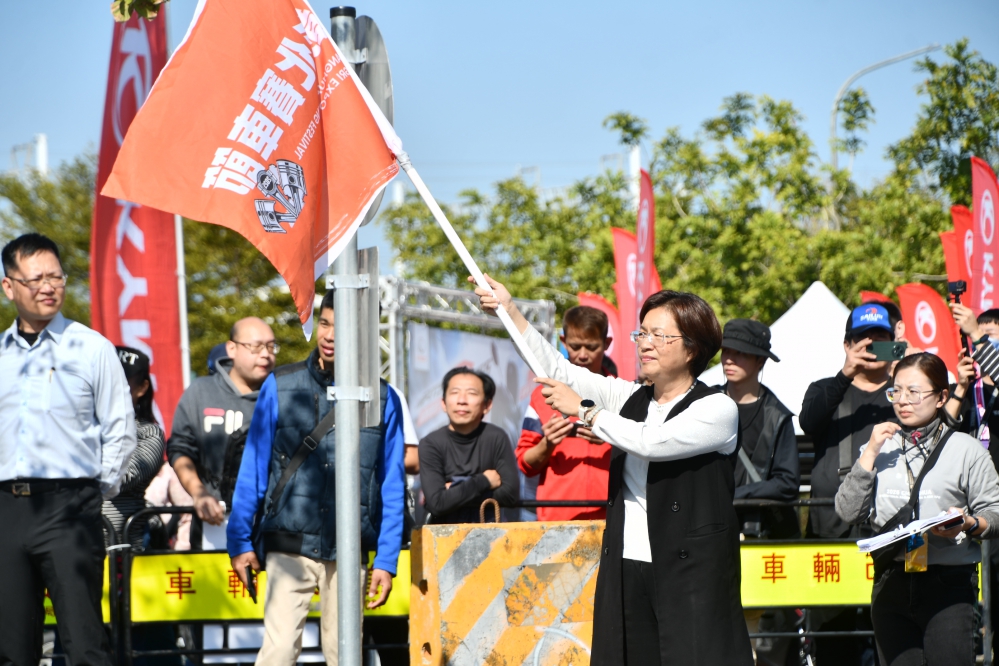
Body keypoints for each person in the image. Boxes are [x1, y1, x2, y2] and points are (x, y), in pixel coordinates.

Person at [473, 274, 752, 666]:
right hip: (627, 563)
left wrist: (586, 411)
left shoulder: (717, 408)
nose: (645, 343)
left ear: (692, 348)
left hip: (692, 571)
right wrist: (510, 310)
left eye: (659, 335)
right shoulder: (629, 396)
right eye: (642, 333)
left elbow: (651, 442)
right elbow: (557, 369)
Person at [226, 290, 406, 666]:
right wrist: (239, 540)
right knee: (278, 652)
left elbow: (392, 482)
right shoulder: (280, 384)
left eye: (342, 327)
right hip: (288, 542)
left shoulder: (384, 398)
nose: (329, 335)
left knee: (346, 656)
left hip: (350, 547)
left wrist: (386, 560)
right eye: (324, 323)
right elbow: (253, 467)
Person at [0, 233, 137, 666]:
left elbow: (121, 428)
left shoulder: (92, 347)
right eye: (35, 279)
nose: (48, 287)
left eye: (56, 277)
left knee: (84, 643)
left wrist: (95, 490)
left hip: (70, 507)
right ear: (9, 287)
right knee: (11, 648)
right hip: (6, 509)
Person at [836, 353, 999, 665]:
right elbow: (848, 511)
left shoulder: (966, 449)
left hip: (949, 583)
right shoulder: (878, 446)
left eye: (914, 392)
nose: (902, 400)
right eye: (896, 391)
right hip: (891, 579)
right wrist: (870, 452)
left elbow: (995, 513)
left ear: (941, 397)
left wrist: (967, 523)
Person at [799, 302, 896, 663]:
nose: (870, 345)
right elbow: (809, 421)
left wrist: (906, 372)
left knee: (887, 636)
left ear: (893, 344)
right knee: (832, 641)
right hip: (831, 531)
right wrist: (846, 373)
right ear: (847, 345)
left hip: (889, 533)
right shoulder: (825, 388)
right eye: (862, 339)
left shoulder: (905, 395)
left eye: (880, 339)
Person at [168, 317, 276, 538]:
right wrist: (199, 493)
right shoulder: (200, 392)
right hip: (212, 524)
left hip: (269, 527)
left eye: (271, 346)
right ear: (232, 348)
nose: (265, 354)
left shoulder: (285, 395)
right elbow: (180, 449)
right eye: (256, 347)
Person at [516, 305, 613, 521]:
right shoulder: (543, 395)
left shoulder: (623, 395)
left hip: (613, 517)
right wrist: (547, 443)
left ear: (607, 344)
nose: (583, 355)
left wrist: (612, 438)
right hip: (557, 519)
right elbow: (525, 464)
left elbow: (649, 454)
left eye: (591, 347)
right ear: (563, 341)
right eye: (575, 346)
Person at [419, 367, 519, 524]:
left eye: (472, 393)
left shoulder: (497, 437)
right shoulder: (430, 443)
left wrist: (453, 491)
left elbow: (510, 495)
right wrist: (484, 480)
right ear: (443, 403)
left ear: (487, 405)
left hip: (490, 533)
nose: (462, 400)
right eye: (454, 392)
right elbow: (437, 503)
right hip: (443, 534)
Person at [103, 347, 167, 547]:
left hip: (124, 550)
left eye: (121, 380)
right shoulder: (77, 427)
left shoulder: (149, 433)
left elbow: (120, 479)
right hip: (72, 545)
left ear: (142, 388)